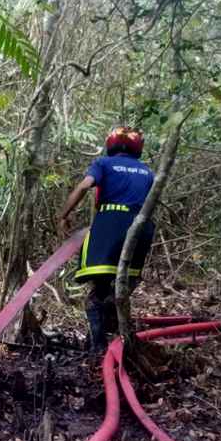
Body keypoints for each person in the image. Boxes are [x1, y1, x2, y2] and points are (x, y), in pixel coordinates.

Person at [58, 126, 154, 352]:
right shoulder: (148, 172)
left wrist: (63, 215)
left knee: (97, 291)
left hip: (109, 225)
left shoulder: (103, 163)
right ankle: (118, 337)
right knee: (127, 280)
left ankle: (98, 346)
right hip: (140, 228)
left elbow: (84, 186)